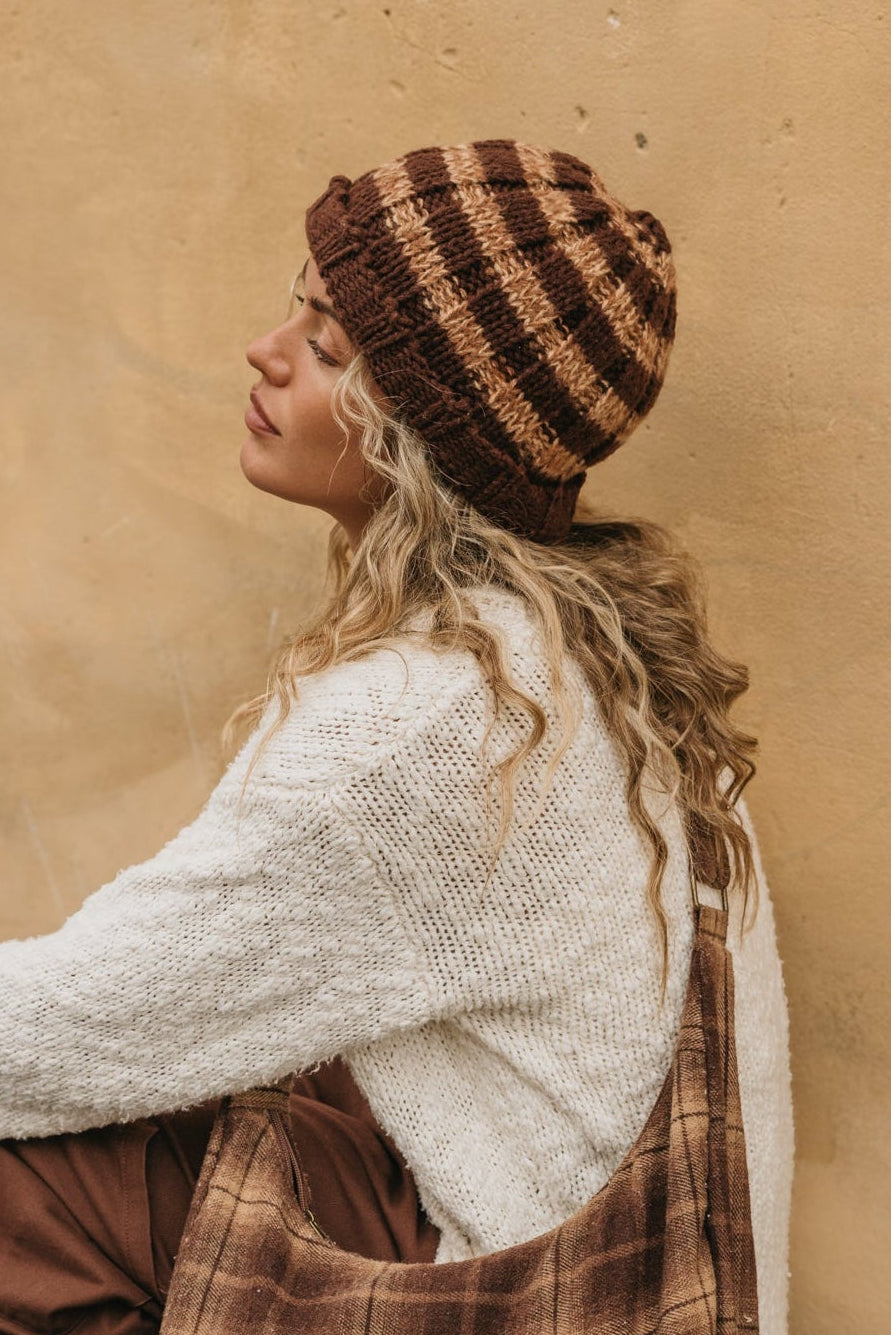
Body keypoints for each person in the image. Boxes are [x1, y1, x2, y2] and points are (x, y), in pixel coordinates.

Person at [0, 140, 794, 1334]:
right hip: (650, 1280)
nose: (267, 354)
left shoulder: (427, 724)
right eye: (297, 312)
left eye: (327, 351)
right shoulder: (601, 656)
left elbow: (68, 1033)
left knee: (29, 1185)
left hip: (520, 1294)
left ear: (433, 441)